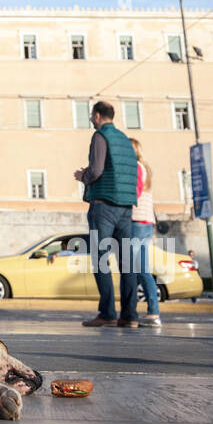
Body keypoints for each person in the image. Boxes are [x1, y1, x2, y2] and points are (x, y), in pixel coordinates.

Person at [73, 101, 139, 326]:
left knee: (100, 260)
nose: (92, 120)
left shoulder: (100, 136)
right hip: (126, 206)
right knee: (127, 262)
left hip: (103, 205)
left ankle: (108, 314)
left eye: (92, 116)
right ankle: (129, 316)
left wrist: (83, 175)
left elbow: (97, 169)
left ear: (98, 116)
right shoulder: (125, 140)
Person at [128, 138, 161, 326]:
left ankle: (134, 312)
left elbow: (136, 192)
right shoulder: (144, 167)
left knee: (132, 269)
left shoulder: (135, 167)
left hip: (137, 220)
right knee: (141, 269)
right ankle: (153, 312)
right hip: (147, 221)